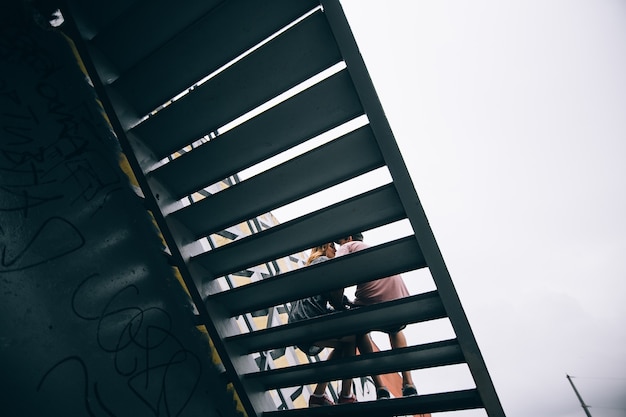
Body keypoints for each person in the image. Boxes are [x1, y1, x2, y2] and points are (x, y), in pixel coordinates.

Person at [335, 232, 418, 399]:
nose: (338, 247)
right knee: (395, 330)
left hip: (373, 300)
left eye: (339, 242)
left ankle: (381, 387)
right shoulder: (373, 251)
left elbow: (335, 269)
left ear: (349, 238)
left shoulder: (348, 246)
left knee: (359, 332)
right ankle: (409, 384)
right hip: (399, 298)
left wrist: (338, 300)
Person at [288, 242, 357, 407]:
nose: (336, 249)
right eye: (333, 246)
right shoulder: (324, 262)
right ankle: (346, 395)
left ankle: (319, 395)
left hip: (297, 325)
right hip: (310, 320)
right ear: (325, 247)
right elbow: (336, 301)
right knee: (354, 335)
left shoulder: (308, 267)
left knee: (344, 345)